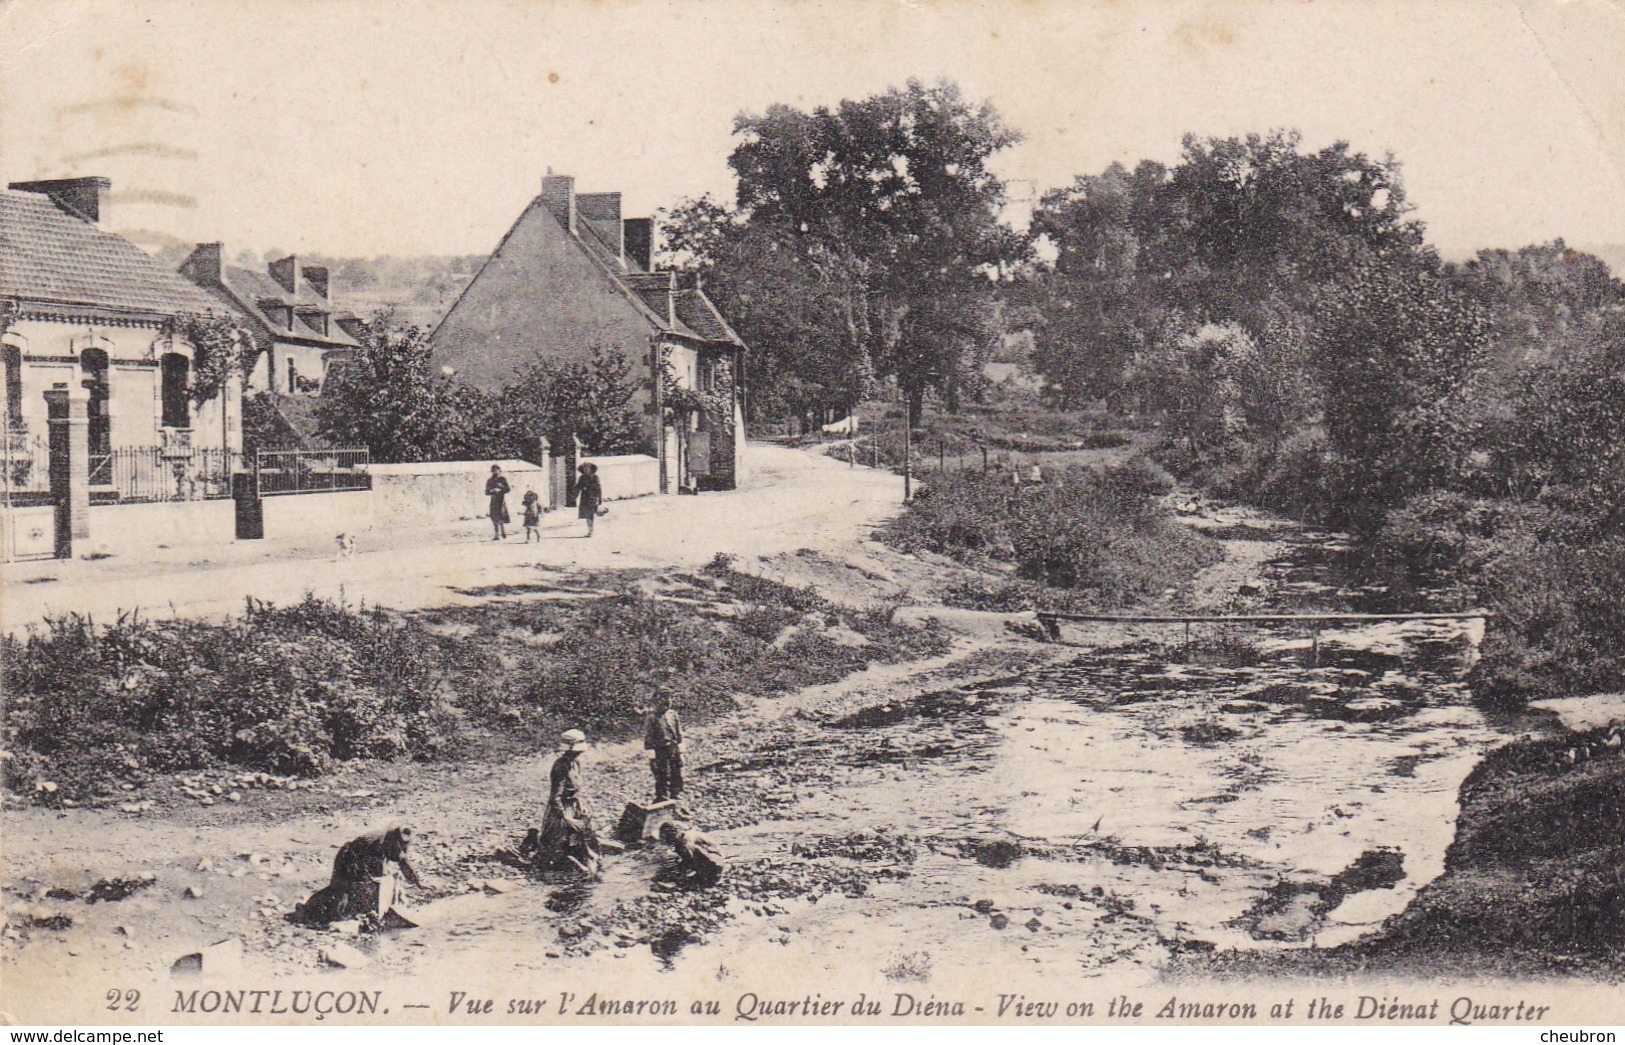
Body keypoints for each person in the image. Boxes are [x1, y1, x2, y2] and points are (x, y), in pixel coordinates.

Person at [295, 825, 421, 925]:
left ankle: (361, 911)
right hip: (348, 857)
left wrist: (417, 882)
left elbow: (403, 863)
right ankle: (308, 909)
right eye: (399, 846)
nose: (401, 849)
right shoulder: (374, 844)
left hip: (362, 862)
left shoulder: (397, 842)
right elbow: (365, 875)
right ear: (392, 840)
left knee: (365, 891)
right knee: (341, 890)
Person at [523, 728, 601, 876]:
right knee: (555, 845)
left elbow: (576, 787)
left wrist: (582, 805)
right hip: (561, 809)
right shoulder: (560, 766)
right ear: (569, 750)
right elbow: (555, 797)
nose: (579, 753)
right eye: (576, 751)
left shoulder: (575, 763)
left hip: (573, 804)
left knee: (583, 833)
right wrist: (566, 817)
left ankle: (584, 857)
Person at [643, 689, 684, 803]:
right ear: (657, 701)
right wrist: (651, 755)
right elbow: (649, 737)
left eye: (670, 698)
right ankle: (662, 796)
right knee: (662, 773)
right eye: (664, 698)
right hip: (660, 749)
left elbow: (678, 731)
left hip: (673, 747)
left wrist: (680, 747)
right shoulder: (652, 717)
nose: (668, 701)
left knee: (676, 770)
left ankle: (675, 794)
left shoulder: (673, 714)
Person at [657, 821, 724, 889]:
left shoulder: (686, 839)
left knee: (684, 852)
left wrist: (679, 875)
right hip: (713, 862)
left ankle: (708, 879)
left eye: (668, 837)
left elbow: (689, 860)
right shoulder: (683, 838)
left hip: (714, 865)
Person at [575, 462, 603, 538]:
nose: (586, 470)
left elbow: (598, 488)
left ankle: (591, 530)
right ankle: (590, 530)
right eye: (584, 469)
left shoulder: (595, 477)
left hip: (593, 497)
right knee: (587, 515)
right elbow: (578, 487)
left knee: (591, 514)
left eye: (587, 468)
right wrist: (576, 495)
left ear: (591, 469)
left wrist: (600, 499)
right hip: (584, 498)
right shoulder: (582, 478)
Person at [486, 465, 511, 540]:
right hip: (493, 501)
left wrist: (500, 489)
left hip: (501, 500)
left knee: (501, 516)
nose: (495, 472)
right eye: (493, 470)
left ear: (500, 471)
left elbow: (508, 489)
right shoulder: (490, 480)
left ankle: (503, 531)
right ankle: (496, 534)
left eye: (497, 470)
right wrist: (492, 490)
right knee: (494, 517)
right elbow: (486, 492)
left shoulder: (503, 479)